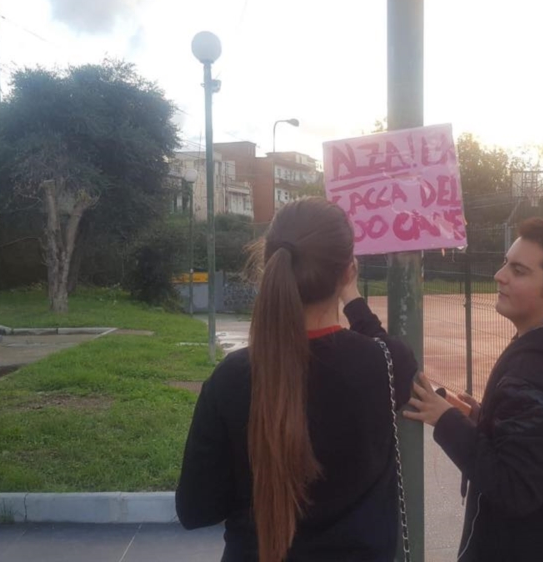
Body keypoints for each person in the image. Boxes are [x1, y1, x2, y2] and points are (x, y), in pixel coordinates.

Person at [176, 197, 417, 562]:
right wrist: (352, 297)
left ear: (270, 265)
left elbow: (195, 509)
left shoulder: (231, 377)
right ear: (348, 271)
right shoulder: (386, 364)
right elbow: (382, 344)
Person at [404, 217, 543, 562]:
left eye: (518, 270)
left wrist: (448, 422)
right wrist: (483, 418)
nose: (499, 275)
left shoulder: (533, 374)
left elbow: (513, 489)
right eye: (506, 263)